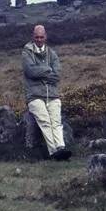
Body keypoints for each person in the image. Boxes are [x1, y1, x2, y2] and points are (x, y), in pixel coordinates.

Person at [22, 25, 71, 160]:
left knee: (56, 121)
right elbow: (30, 71)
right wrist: (48, 70)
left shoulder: (52, 53)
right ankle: (54, 152)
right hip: (34, 95)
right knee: (44, 121)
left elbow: (57, 75)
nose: (39, 39)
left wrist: (41, 71)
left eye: (41, 37)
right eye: (36, 37)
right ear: (33, 37)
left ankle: (61, 148)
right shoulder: (26, 52)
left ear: (45, 37)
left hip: (52, 94)